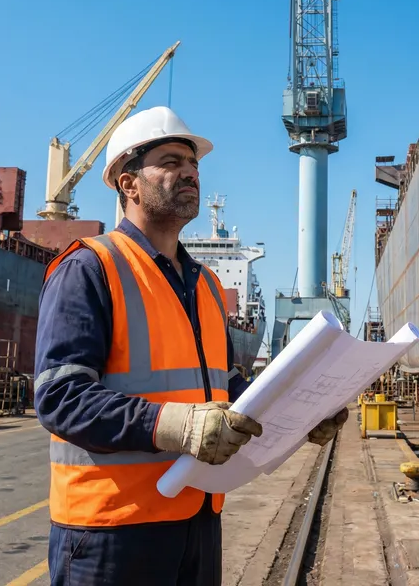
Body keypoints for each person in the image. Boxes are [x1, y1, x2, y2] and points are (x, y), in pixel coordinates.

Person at [34, 106, 348, 586]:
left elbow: (227, 386)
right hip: (111, 529)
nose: (189, 172)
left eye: (194, 164)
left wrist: (302, 410)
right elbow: (60, 398)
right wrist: (176, 425)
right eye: (172, 161)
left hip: (197, 517)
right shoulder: (90, 268)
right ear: (128, 184)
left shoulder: (202, 285)